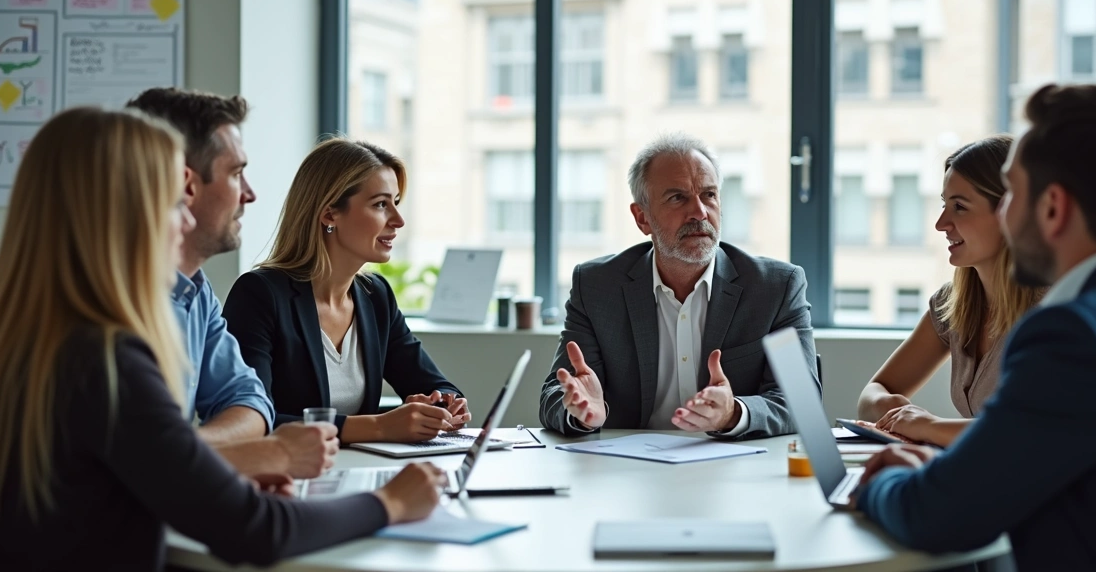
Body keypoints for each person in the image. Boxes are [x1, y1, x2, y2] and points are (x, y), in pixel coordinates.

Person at [0, 108, 447, 571]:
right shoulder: (107, 362)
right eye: (174, 203)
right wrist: (391, 502)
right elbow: (258, 532)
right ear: (123, 217)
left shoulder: (38, 339)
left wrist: (217, 470)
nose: (186, 223)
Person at [855, 84, 1096, 570]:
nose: (1004, 213)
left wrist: (883, 480)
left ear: (1052, 208)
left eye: (1012, 193)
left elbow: (939, 517)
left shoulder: (1076, 336)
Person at [538, 132, 818, 440]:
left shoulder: (775, 288)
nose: (699, 213)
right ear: (642, 217)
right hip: (628, 472)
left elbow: (801, 403)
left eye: (709, 195)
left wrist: (733, 413)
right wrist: (581, 414)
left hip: (733, 466)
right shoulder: (597, 287)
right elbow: (557, 392)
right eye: (677, 198)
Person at [127, 88, 331, 480]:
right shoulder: (105, 303)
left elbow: (249, 400)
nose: (250, 194)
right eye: (236, 173)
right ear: (185, 182)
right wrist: (250, 457)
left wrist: (185, 453)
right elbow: (132, 461)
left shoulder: (195, 293)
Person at [223, 138, 471, 443]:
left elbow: (433, 382)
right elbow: (252, 419)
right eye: (381, 204)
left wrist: (444, 403)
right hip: (286, 476)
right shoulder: (260, 294)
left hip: (354, 470)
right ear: (329, 214)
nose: (398, 220)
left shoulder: (375, 295)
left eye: (396, 201)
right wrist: (379, 426)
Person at [856, 136, 1044, 447]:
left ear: (1010, 212)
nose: (941, 224)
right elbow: (873, 392)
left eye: (959, 207)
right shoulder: (952, 303)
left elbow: (1029, 432)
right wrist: (894, 410)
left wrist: (930, 426)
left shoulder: (1053, 311)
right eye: (945, 205)